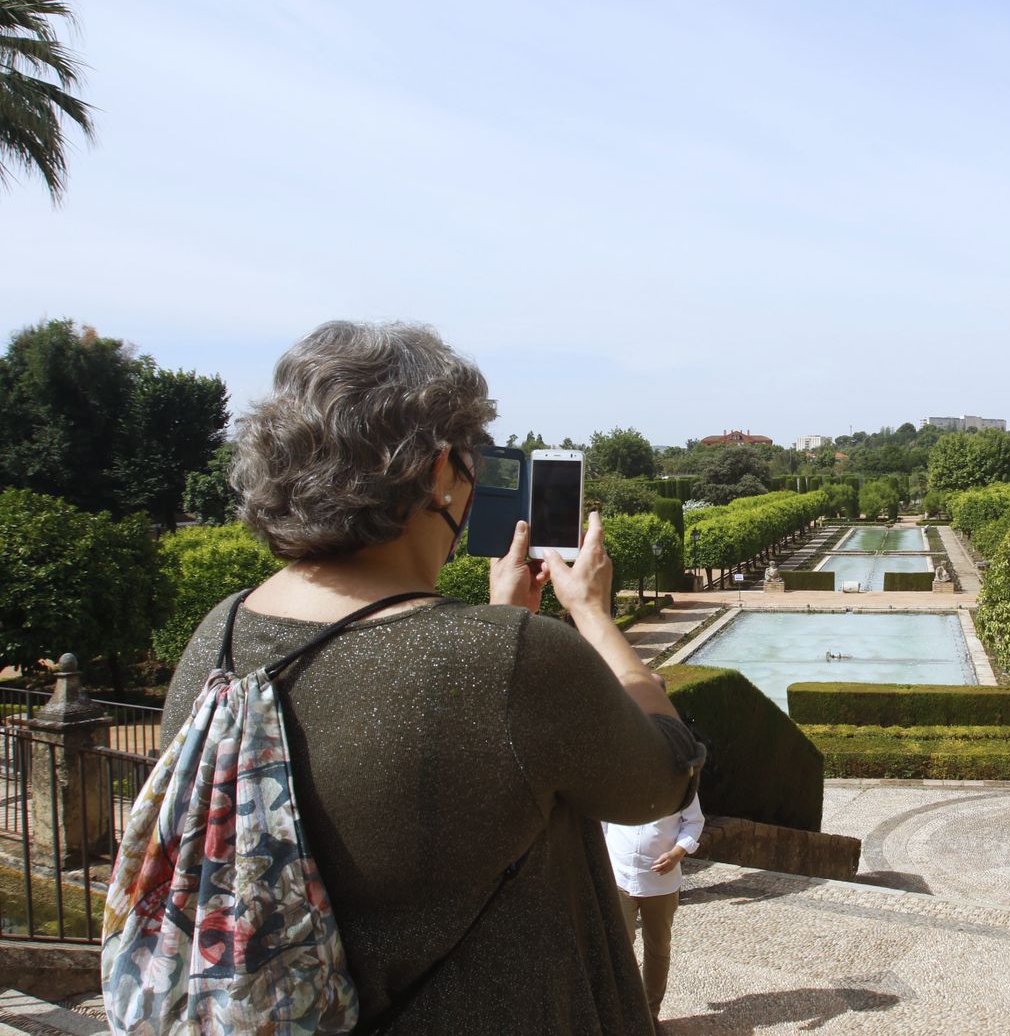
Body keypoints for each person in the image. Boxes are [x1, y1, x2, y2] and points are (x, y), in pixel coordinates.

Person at [158, 320, 701, 1035]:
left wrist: (502, 628)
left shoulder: (219, 633)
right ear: (440, 473)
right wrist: (592, 616)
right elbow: (664, 775)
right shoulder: (510, 659)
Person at [603, 723, 706, 1028]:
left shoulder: (681, 781)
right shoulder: (616, 778)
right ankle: (623, 1012)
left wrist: (677, 853)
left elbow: (694, 822)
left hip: (661, 884)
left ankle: (649, 1016)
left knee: (658, 950)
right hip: (620, 877)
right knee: (619, 949)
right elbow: (602, 822)